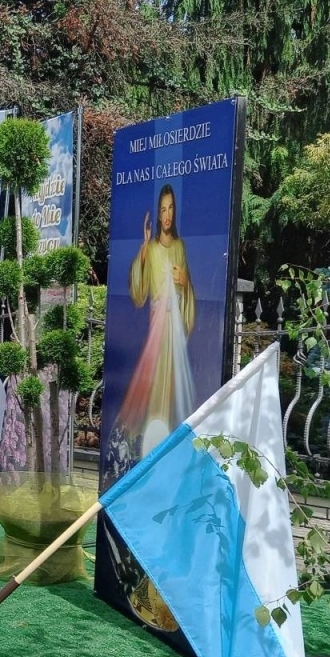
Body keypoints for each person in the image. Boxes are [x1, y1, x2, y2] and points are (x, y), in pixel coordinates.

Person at [116, 183, 196, 454]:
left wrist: (184, 282)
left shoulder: (180, 247)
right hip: (155, 332)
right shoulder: (150, 249)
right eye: (163, 209)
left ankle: (169, 447)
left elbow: (188, 293)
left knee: (171, 391)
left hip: (175, 332)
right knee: (152, 389)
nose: (167, 215)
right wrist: (143, 247)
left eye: (171, 207)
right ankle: (147, 448)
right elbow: (138, 294)